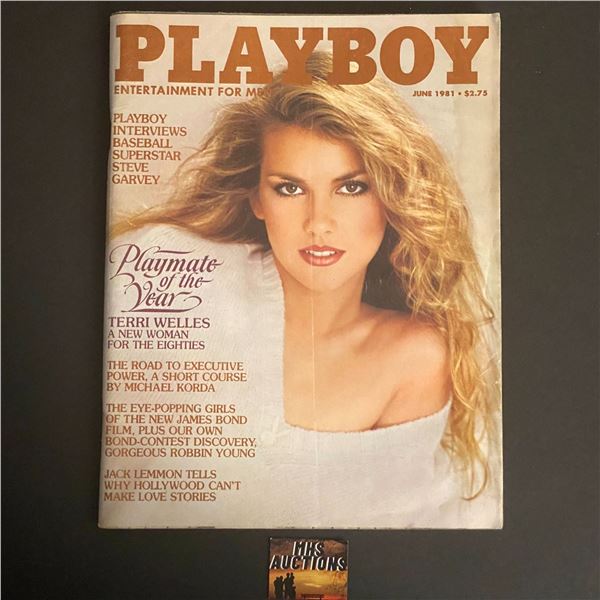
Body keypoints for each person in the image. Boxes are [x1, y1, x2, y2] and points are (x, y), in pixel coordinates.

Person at [114, 52, 500, 524]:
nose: (319, 223)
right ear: (257, 199)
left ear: (391, 196)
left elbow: (384, 531)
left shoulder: (414, 356)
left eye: (351, 188)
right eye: (290, 188)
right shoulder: (173, 277)